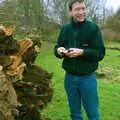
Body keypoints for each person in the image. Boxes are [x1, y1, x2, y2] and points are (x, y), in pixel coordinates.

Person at [54, 0, 105, 120]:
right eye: (77, 9)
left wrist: (82, 52)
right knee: (75, 113)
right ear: (71, 12)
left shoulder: (93, 28)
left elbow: (100, 53)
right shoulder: (65, 29)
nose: (81, 12)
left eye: (83, 8)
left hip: (87, 78)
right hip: (69, 78)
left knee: (92, 113)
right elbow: (58, 47)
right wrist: (59, 50)